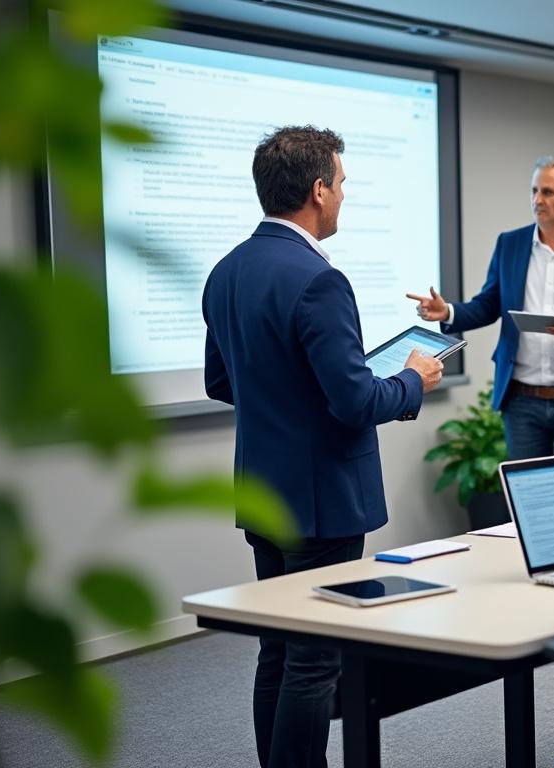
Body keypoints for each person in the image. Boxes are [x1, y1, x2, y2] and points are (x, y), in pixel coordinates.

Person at [202, 125, 443, 768]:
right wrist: (411, 379)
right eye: (341, 185)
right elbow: (355, 403)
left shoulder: (226, 272)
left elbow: (221, 382)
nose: (343, 197)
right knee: (314, 660)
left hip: (263, 492)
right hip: (323, 500)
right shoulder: (319, 279)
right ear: (317, 190)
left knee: (278, 648)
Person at [407, 155, 554, 459]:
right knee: (526, 487)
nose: (537, 200)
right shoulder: (509, 244)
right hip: (522, 400)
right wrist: (448, 312)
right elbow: (488, 304)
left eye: (548, 192)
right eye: (534, 191)